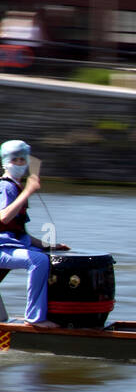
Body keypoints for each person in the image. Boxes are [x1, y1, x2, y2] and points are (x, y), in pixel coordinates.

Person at [0, 139, 68, 327]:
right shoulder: (6, 187)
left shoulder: (16, 188)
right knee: (38, 261)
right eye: (15, 160)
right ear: (5, 162)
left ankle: (5, 326)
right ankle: (35, 319)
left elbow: (18, 232)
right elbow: (3, 218)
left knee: (44, 255)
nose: (20, 164)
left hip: (9, 245)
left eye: (23, 160)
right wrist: (28, 192)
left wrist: (50, 245)